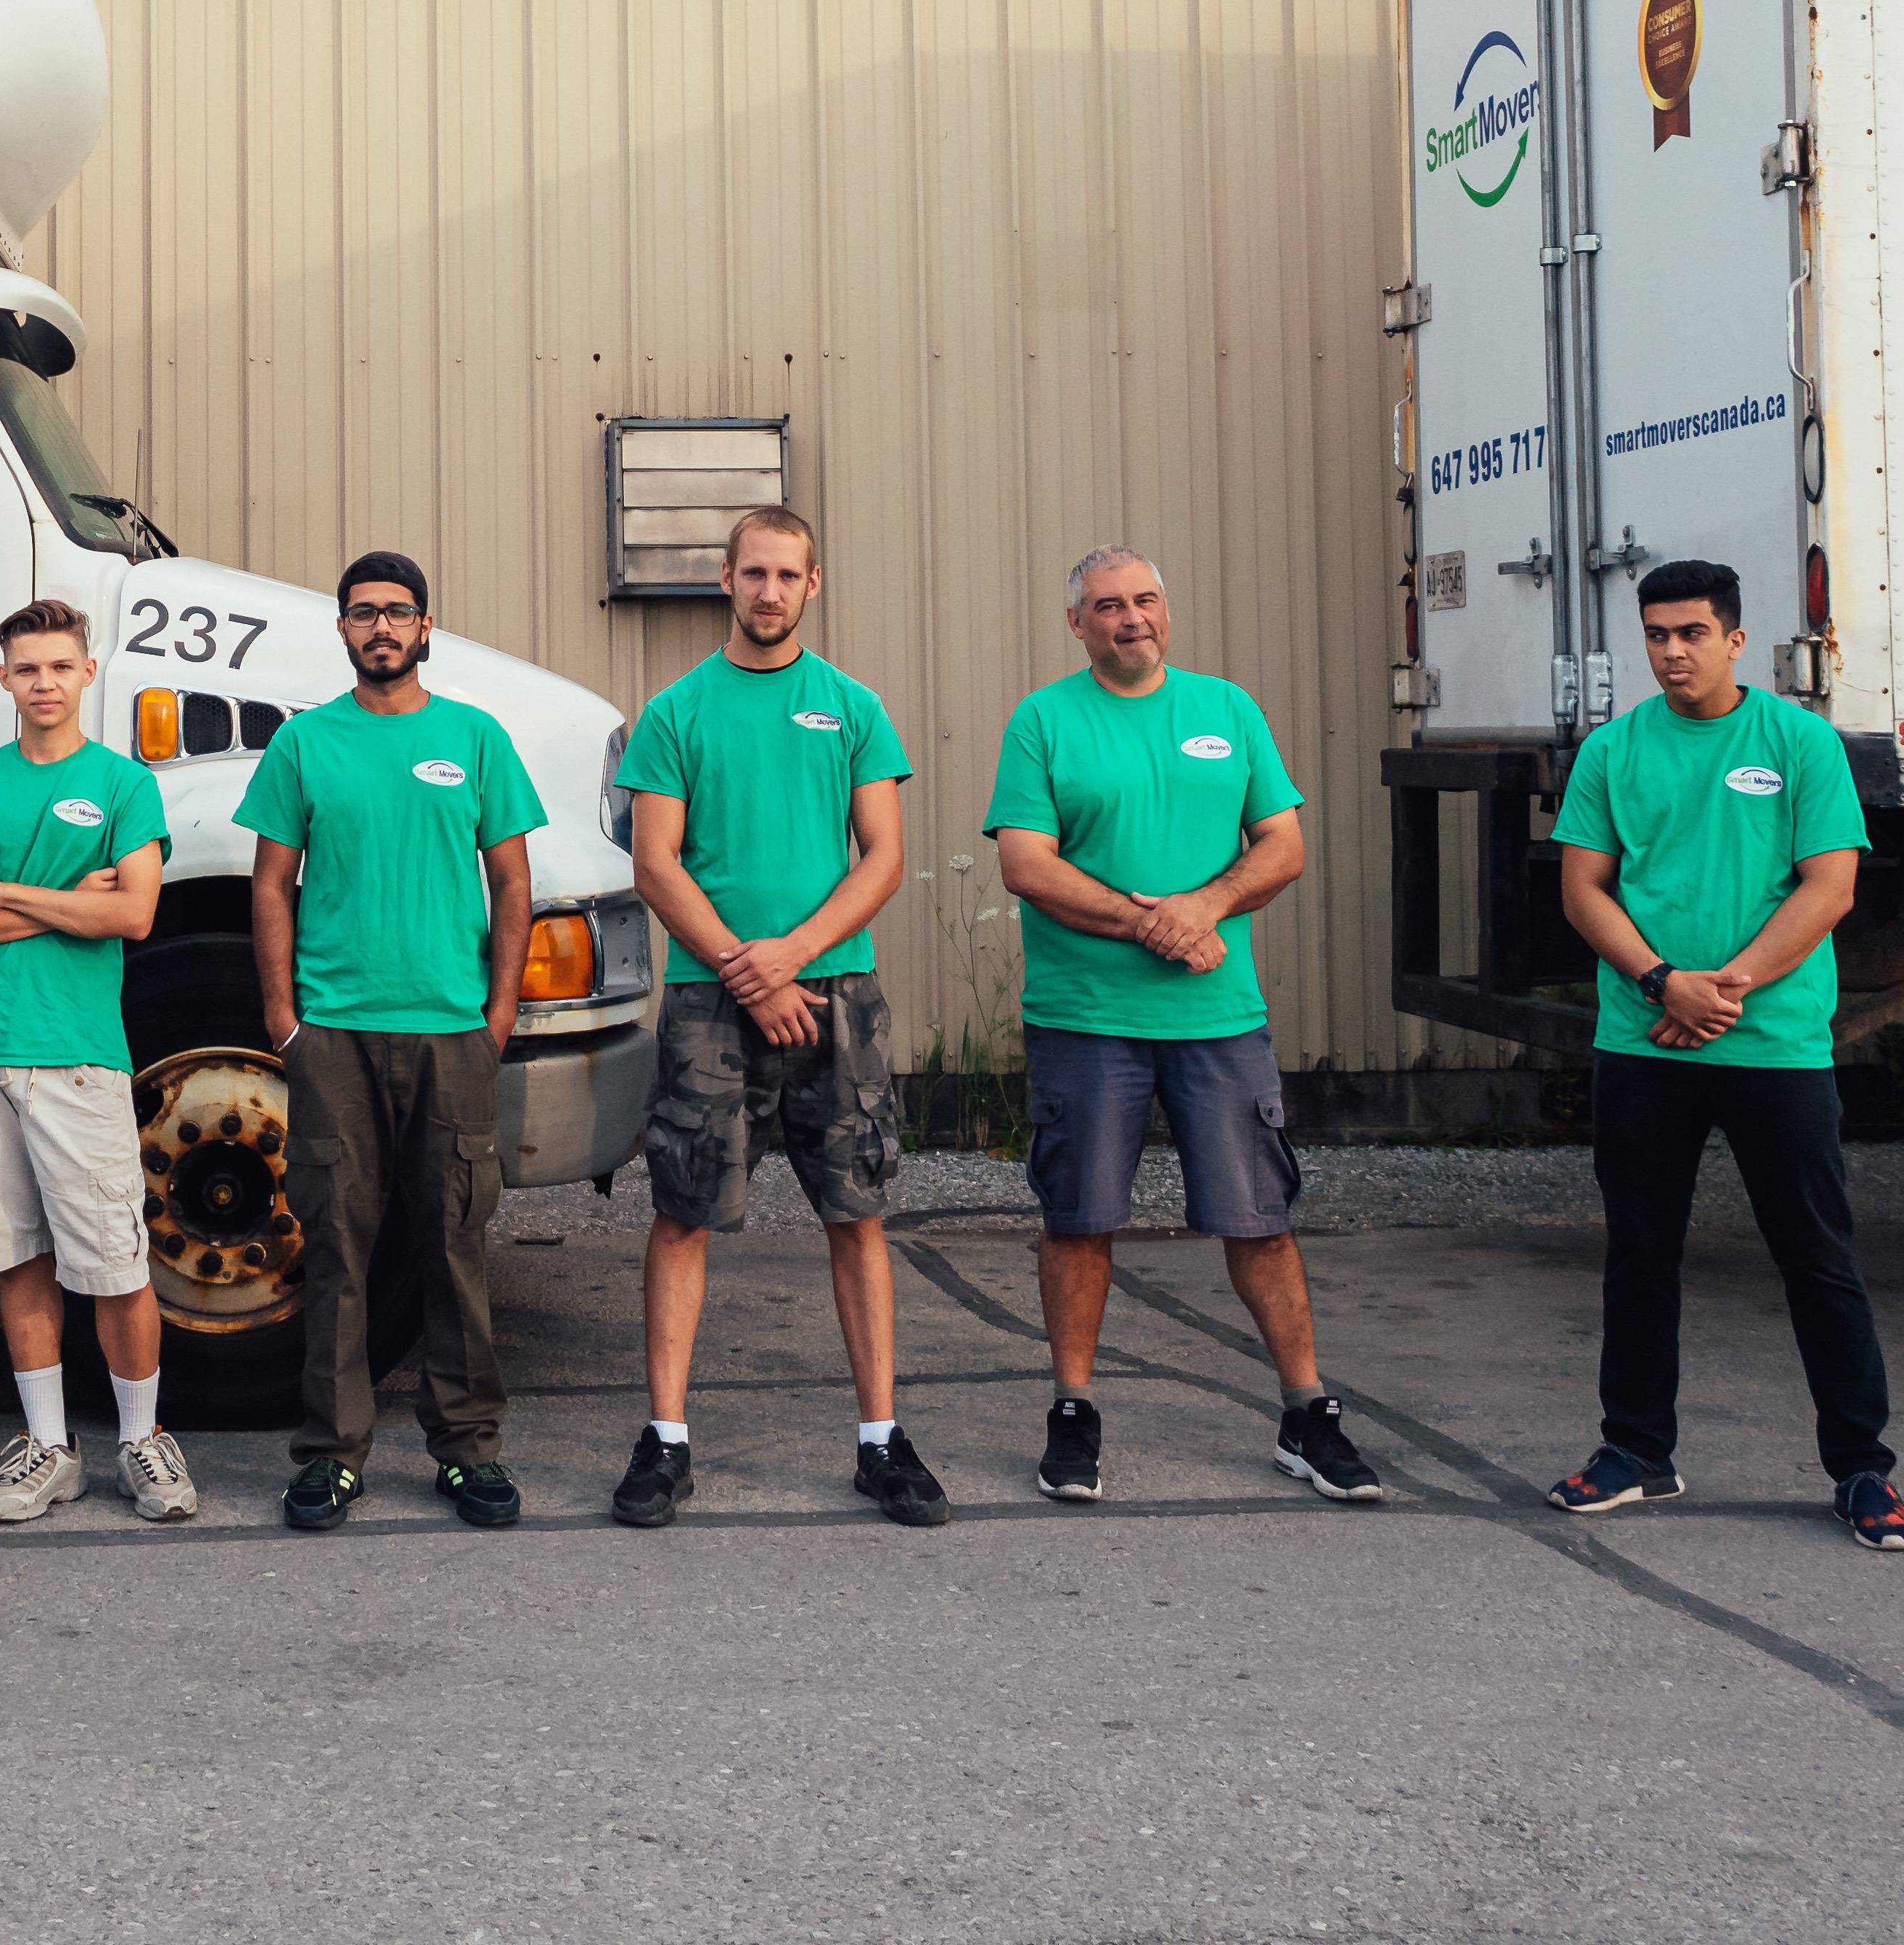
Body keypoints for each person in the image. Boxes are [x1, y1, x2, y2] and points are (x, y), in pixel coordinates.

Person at [986, 547, 1383, 1507]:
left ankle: (1306, 1413)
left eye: (1146, 600)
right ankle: (1074, 1412)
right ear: (1076, 624)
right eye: (1108, 606)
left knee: (1259, 1218)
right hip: (1087, 1017)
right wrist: (1153, 924)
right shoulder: (1043, 720)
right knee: (1080, 1219)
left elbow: (1281, 846)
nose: (1131, 618)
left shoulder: (1228, 711)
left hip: (1217, 1015)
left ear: (1167, 611)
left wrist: (1202, 908)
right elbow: (1028, 866)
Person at [1549, 561, 1904, 1550]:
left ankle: (1862, 1470)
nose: (1673, 652)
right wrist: (1660, 982)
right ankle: (1636, 1452)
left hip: (1775, 1048)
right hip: (1645, 1042)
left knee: (1817, 1258)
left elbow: (1829, 887)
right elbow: (1584, 889)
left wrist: (1723, 991)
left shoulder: (1799, 743)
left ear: (1736, 640)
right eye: (1657, 635)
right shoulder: (1613, 750)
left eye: (1693, 633)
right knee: (1640, 1255)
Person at [612, 506, 942, 1529]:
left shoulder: (851, 709)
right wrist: (746, 972)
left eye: (787, 576)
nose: (769, 591)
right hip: (712, 1000)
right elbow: (655, 863)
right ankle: (666, 1442)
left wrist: (790, 958)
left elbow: (882, 857)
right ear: (726, 580)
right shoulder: (676, 713)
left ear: (813, 584)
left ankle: (881, 1441)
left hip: (836, 997)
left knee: (857, 1212)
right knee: (684, 1211)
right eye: (753, 573)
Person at [241, 549, 546, 1532]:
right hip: (333, 1035)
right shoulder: (304, 744)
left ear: (425, 629)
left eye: (398, 612)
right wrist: (284, 1018)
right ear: (341, 628)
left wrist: (498, 1015)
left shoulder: (475, 738)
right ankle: (332, 1456)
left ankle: (469, 1451)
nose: (381, 626)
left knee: (455, 1243)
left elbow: (513, 882)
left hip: (452, 1034)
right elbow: (270, 885)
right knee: (337, 1247)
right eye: (364, 611)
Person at [0, 599, 196, 1526]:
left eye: (60, 667)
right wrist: (59, 900)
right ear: (4, 677)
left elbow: (133, 913)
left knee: (114, 1262)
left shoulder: (123, 785)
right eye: (27, 668)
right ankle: (49, 1446)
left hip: (76, 1053)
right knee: (14, 1257)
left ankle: (142, 1440)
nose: (44, 683)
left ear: (87, 673)